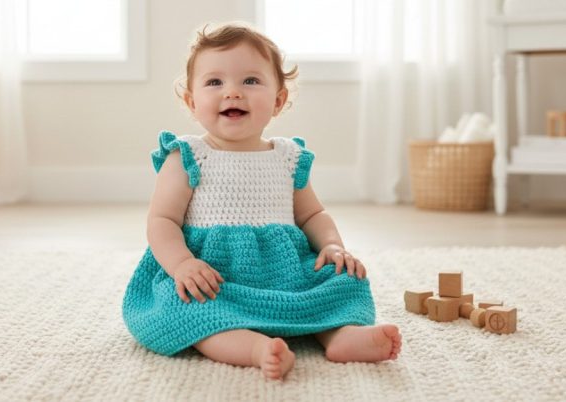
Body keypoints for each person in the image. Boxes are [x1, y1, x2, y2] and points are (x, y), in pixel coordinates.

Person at [123, 22, 401, 380]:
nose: (233, 93)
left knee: (343, 278)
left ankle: (340, 334)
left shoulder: (288, 157)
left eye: (250, 81)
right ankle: (253, 348)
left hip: (284, 270)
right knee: (184, 308)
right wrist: (181, 265)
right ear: (192, 102)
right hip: (214, 277)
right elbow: (162, 221)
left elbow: (313, 213)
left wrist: (332, 246)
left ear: (278, 100)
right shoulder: (188, 156)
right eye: (214, 82)